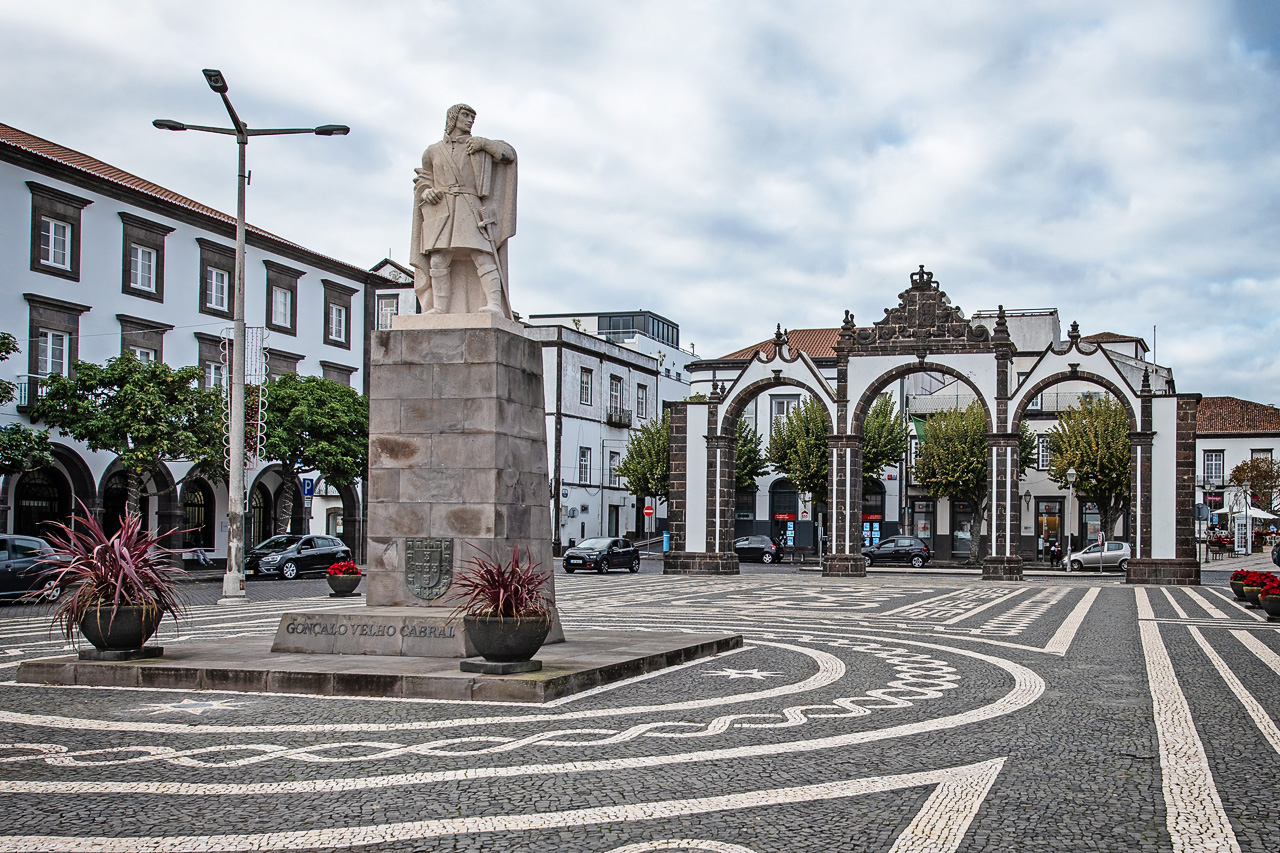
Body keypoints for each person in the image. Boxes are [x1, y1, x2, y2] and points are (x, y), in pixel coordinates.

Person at [410, 104, 517, 318]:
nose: (470, 121)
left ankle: (494, 304)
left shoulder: (478, 147)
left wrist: (484, 143)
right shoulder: (432, 151)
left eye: (472, 117)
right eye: (465, 115)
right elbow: (423, 179)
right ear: (453, 118)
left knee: (482, 255)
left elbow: (508, 155)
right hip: (443, 208)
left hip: (469, 204)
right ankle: (440, 308)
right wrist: (426, 191)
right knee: (439, 259)